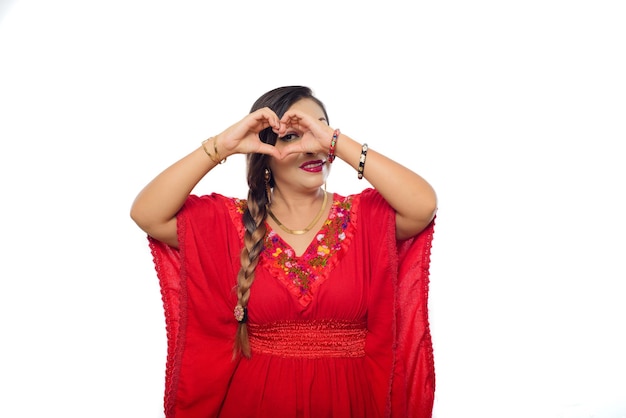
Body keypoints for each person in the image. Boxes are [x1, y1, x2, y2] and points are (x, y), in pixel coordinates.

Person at [130, 85, 438, 418]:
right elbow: (147, 214)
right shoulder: (230, 223)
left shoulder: (367, 218)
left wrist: (336, 141)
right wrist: (221, 145)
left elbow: (423, 205)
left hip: (351, 402)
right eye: (292, 137)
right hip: (255, 403)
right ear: (263, 150)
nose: (312, 148)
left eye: (320, 132)